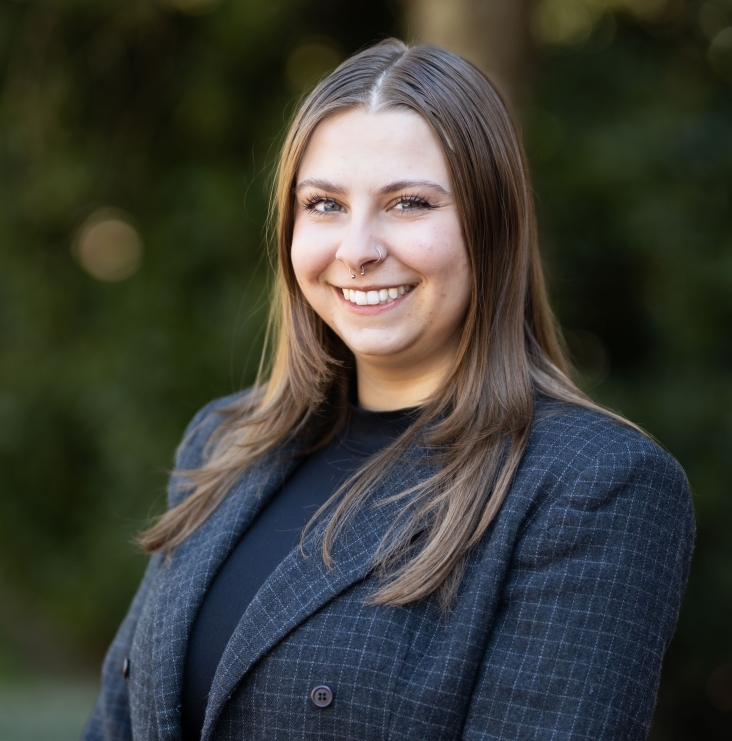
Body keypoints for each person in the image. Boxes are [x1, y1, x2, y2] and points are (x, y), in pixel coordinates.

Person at [83, 39, 694, 741]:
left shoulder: (592, 485)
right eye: (325, 204)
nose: (358, 247)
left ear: (490, 227)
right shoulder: (225, 441)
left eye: (408, 203)